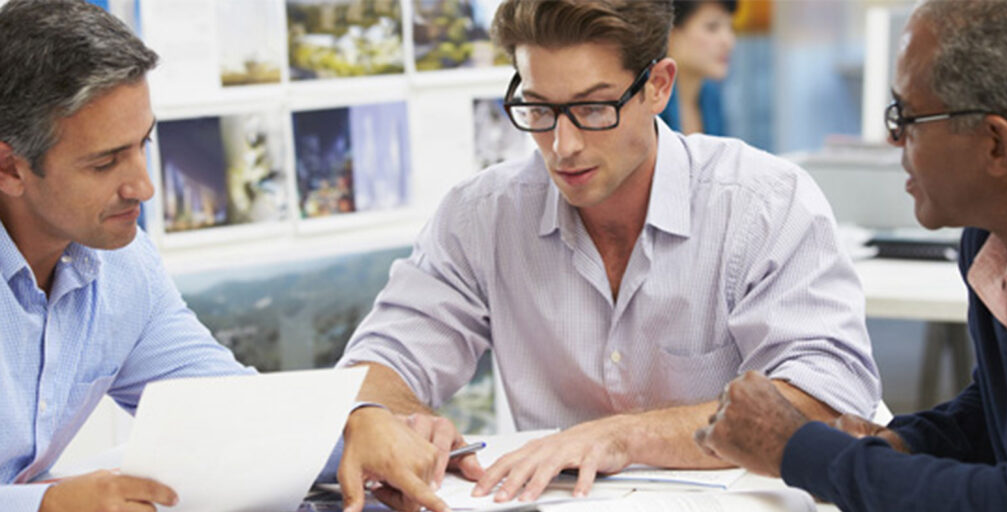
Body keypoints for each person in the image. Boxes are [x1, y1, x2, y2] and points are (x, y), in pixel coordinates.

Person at [337, 1, 880, 511]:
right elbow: (380, 360)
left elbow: (826, 396)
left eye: (593, 108)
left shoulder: (763, 203)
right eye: (539, 109)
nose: (563, 144)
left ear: (658, 87)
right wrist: (381, 415)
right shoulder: (482, 214)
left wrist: (623, 435)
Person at [695, 1, 1007, 510]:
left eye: (908, 116)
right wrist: (901, 442)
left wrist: (801, 450)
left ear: (996, 145)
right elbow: (996, 415)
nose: (893, 137)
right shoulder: (991, 242)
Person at [0, 1, 255, 510]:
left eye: (143, 143)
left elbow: (225, 410)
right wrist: (44, 505)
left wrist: (366, 427)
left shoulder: (122, 262)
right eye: (105, 163)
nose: (144, 186)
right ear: (9, 168)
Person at [659, 0, 737, 135]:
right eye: (712, 28)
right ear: (670, 34)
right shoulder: (647, 101)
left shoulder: (711, 96)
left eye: (730, 27)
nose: (728, 41)